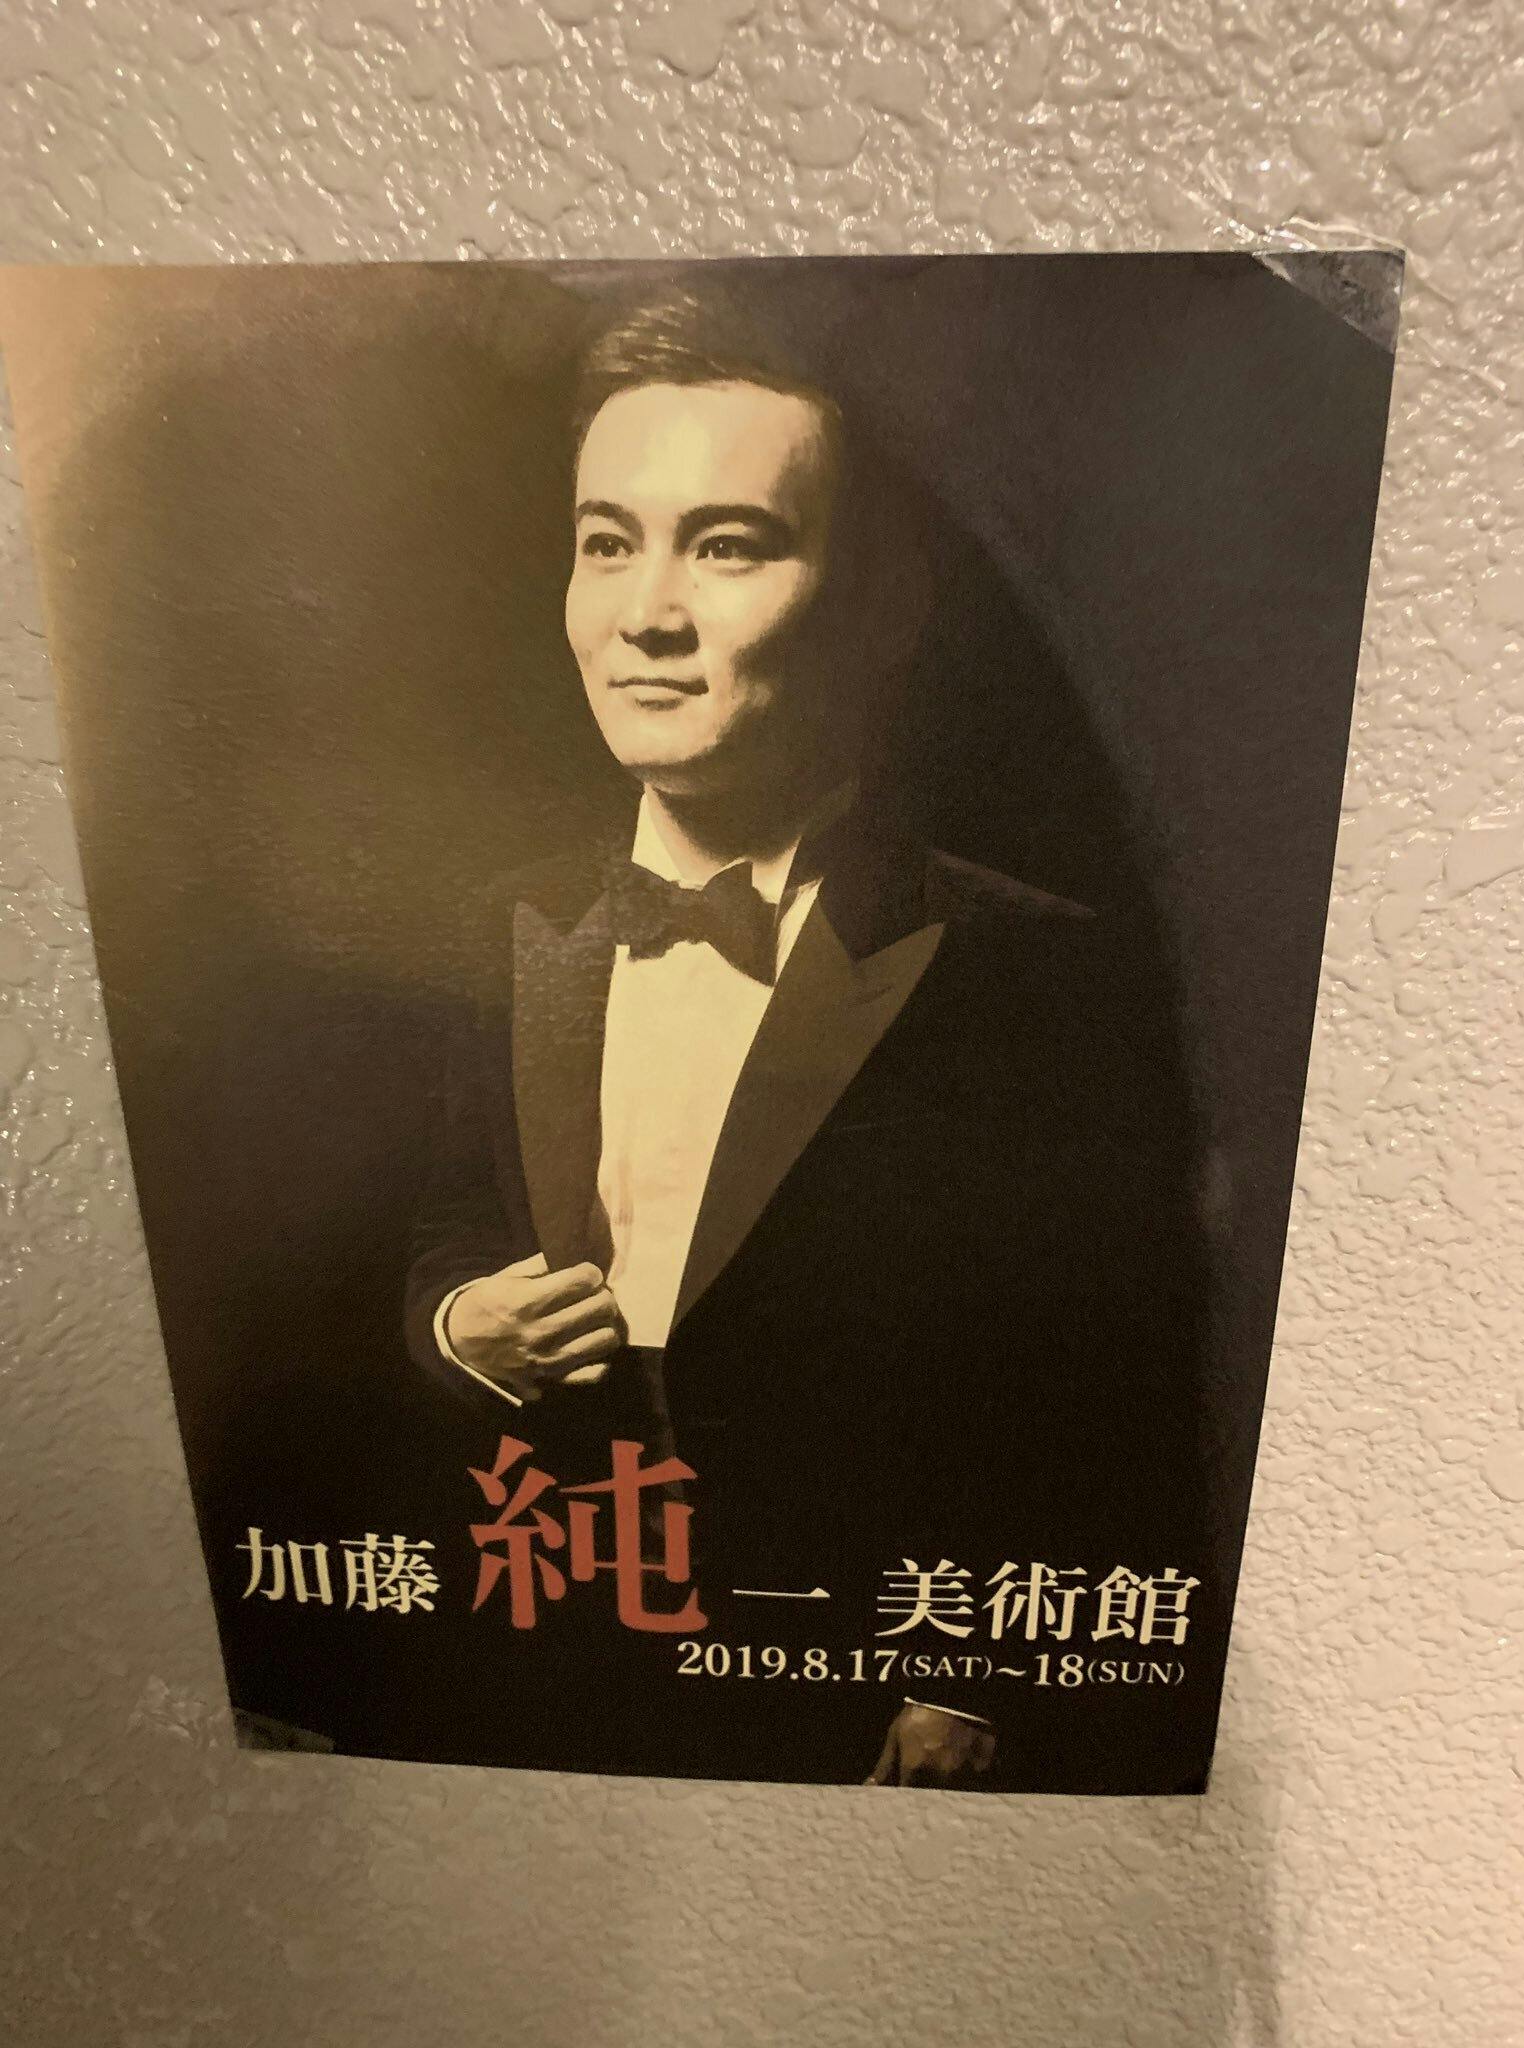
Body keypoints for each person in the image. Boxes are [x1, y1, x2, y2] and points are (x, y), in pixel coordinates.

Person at [404, 291, 1217, 1792]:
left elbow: (1100, 1373)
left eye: (727, 546)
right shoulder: (500, 924)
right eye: (607, 542)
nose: (648, 613)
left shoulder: (1031, 961)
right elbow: (424, 1231)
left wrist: (966, 1679)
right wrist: (461, 1328)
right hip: (530, 1671)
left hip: (838, 1697)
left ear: (878, 604)